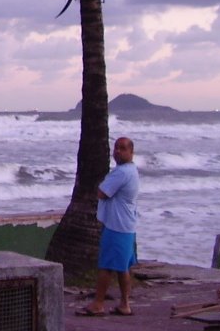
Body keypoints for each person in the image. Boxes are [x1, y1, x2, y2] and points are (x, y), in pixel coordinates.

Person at [78, 136, 139, 317]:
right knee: (122, 267)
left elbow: (102, 192)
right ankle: (125, 304)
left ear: (131, 152)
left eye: (122, 148)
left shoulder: (122, 173)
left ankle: (98, 303)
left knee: (106, 266)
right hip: (126, 225)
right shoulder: (131, 170)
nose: (117, 151)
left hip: (117, 226)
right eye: (116, 148)